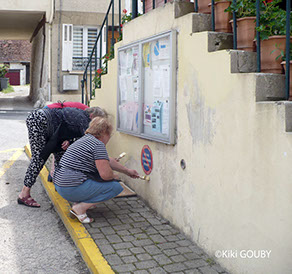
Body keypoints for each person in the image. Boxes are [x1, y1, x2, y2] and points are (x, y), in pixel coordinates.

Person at [17, 105, 108, 208]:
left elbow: (74, 133)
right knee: (39, 159)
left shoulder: (79, 115)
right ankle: (24, 194)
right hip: (40, 121)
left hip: (48, 126)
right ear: (92, 116)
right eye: (97, 120)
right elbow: (88, 143)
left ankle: (61, 187)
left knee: (61, 156)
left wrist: (69, 141)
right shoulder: (84, 119)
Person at [54, 116, 139, 223]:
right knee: (115, 187)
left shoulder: (85, 140)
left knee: (97, 180)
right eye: (110, 134)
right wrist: (115, 176)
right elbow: (106, 175)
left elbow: (108, 160)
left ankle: (80, 202)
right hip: (70, 188)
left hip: (60, 185)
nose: (109, 138)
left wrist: (127, 171)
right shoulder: (98, 145)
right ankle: (79, 209)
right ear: (104, 132)